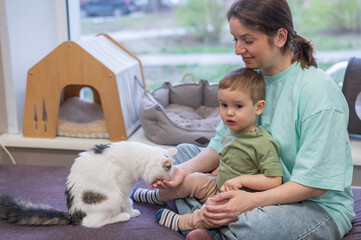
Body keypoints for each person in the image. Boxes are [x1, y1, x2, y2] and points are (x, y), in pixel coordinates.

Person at [150, 0, 355, 239]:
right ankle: (215, 217)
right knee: (184, 153)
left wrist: (250, 201)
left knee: (256, 228)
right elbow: (220, 144)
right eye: (235, 39)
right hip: (249, 184)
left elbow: (315, 184)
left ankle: (208, 220)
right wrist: (181, 172)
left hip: (312, 205)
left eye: (247, 40)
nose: (238, 49)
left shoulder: (318, 93)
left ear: (280, 37)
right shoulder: (252, 80)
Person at [132, 67, 283, 232]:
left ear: (259, 108)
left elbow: (275, 180)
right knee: (192, 179)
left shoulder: (263, 143)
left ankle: (186, 222)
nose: (229, 112)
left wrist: (242, 180)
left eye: (238, 106)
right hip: (218, 184)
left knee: (214, 209)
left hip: (239, 197)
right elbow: (229, 159)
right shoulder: (231, 132)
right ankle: (159, 197)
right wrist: (215, 172)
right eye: (224, 105)